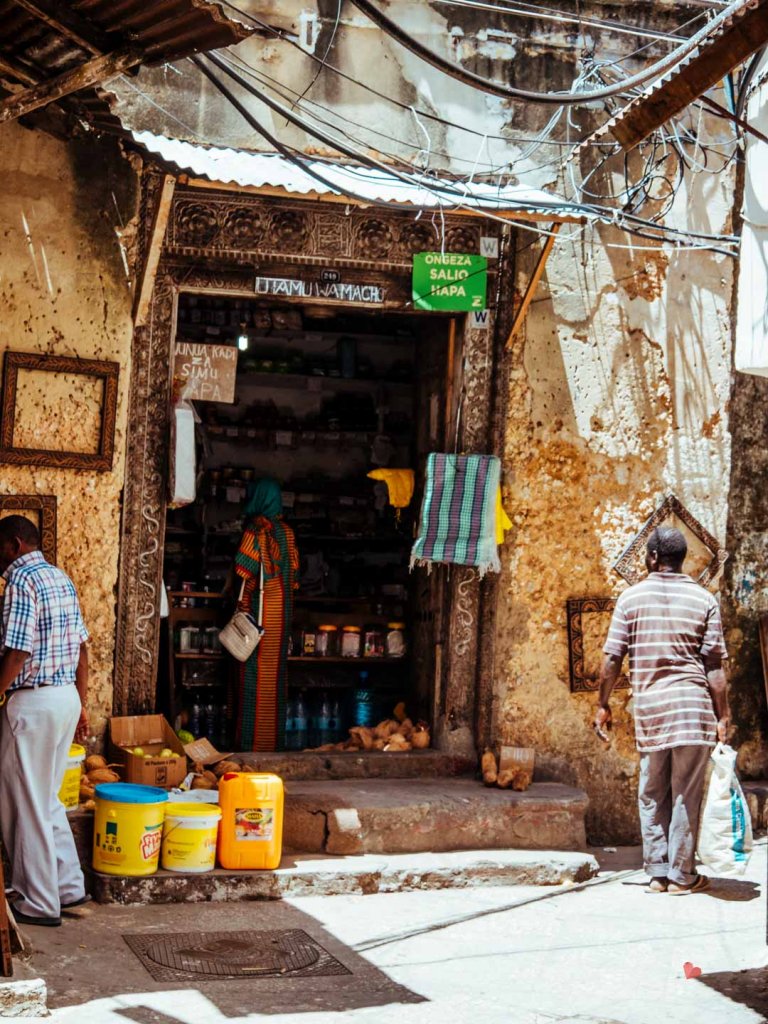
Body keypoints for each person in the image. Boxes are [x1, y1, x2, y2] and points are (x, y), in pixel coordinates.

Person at [595, 525, 728, 895]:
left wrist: (602, 704)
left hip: (652, 710)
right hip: (693, 708)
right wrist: (724, 715)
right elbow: (714, 666)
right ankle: (682, 876)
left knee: (652, 791)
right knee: (686, 792)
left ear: (653, 557)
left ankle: (657, 874)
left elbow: (612, 660)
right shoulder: (704, 600)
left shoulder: (630, 599)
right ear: (681, 559)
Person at [0, 515, 89, 926]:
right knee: (48, 799)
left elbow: (17, 652)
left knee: (28, 804)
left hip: (33, 704)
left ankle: (38, 901)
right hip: (65, 698)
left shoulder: (20, 581)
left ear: (15, 544)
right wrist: (82, 703)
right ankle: (68, 887)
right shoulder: (61, 578)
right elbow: (84, 649)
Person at [230, 478, 298, 751]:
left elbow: (243, 575)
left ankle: (250, 745)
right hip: (280, 619)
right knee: (275, 680)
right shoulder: (288, 533)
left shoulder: (254, 531)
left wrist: (241, 605)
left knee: (251, 679)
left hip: (256, 618)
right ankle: (272, 744)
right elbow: (293, 577)